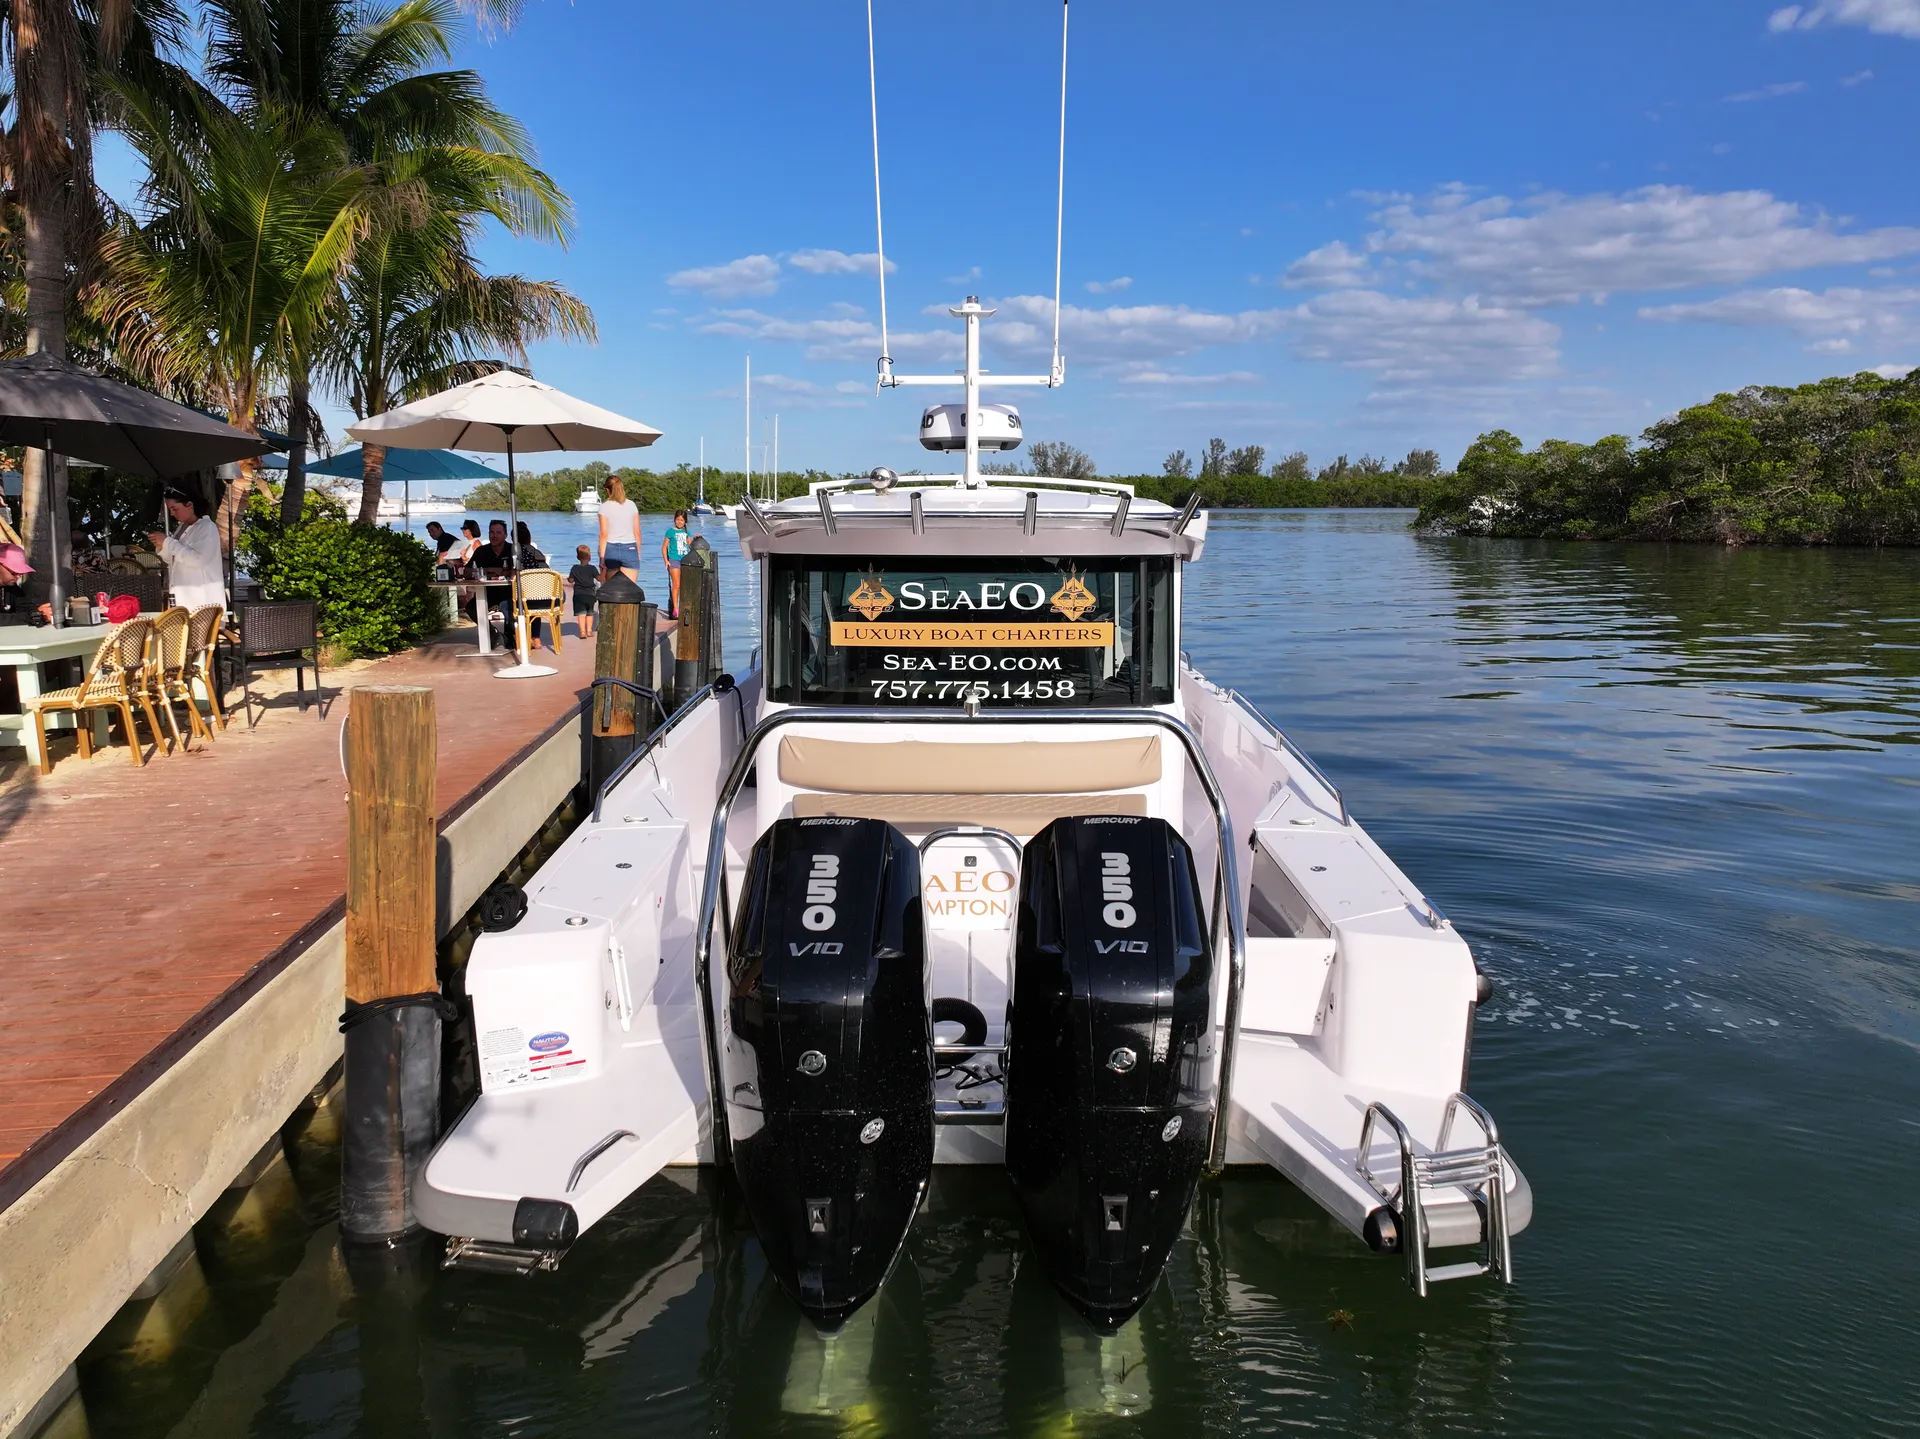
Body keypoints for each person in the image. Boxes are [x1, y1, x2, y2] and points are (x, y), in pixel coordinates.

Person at [147, 488, 225, 612]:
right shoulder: (182, 527)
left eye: (175, 508)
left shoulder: (207, 527)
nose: (172, 513)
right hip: (183, 600)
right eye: (170, 509)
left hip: (202, 604)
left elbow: (198, 560)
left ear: (189, 505)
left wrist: (168, 542)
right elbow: (173, 560)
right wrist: (162, 546)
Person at [474, 519, 514, 644]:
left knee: (508, 606)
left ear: (505, 535)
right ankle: (492, 632)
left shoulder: (513, 550)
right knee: (471, 607)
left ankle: (511, 636)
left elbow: (519, 571)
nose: (494, 536)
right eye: (491, 532)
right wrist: (488, 570)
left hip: (509, 591)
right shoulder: (481, 551)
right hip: (487, 592)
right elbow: (467, 571)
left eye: (498, 532)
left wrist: (504, 572)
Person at [598, 473, 641, 575]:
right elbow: (637, 532)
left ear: (607, 490)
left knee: (612, 589)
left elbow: (604, 534)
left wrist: (602, 558)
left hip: (611, 549)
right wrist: (638, 553)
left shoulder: (604, 507)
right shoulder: (632, 505)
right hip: (630, 548)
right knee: (630, 589)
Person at [0, 542, 52, 625]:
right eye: (14, 572)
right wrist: (31, 616)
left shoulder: (12, 589)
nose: (18, 577)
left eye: (21, 573)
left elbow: (24, 608)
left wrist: (39, 612)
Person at [661, 510, 692, 619]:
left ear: (685, 521)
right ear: (674, 520)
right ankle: (675, 608)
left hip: (685, 560)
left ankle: (684, 607)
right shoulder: (670, 532)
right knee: (676, 584)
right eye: (678, 519)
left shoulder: (686, 532)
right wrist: (666, 560)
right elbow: (664, 547)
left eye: (682, 520)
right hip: (674, 560)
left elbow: (690, 544)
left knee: (684, 585)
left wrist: (696, 538)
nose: (679, 522)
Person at [568, 544, 599, 639]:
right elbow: (600, 578)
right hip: (590, 594)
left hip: (579, 594)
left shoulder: (575, 568)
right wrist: (605, 571)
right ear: (589, 557)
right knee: (590, 614)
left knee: (581, 614)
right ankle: (589, 631)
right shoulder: (592, 568)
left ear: (577, 557)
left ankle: (582, 632)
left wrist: (569, 579)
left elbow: (571, 580)